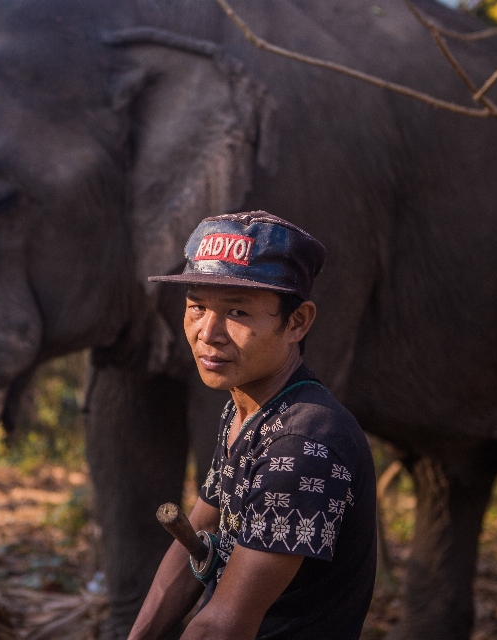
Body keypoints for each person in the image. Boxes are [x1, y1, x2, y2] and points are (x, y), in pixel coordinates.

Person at [129, 211, 376, 640]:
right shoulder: (247, 409)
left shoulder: (303, 443)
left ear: (296, 322)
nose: (209, 332)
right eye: (197, 307)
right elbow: (202, 527)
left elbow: (222, 628)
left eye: (237, 311)